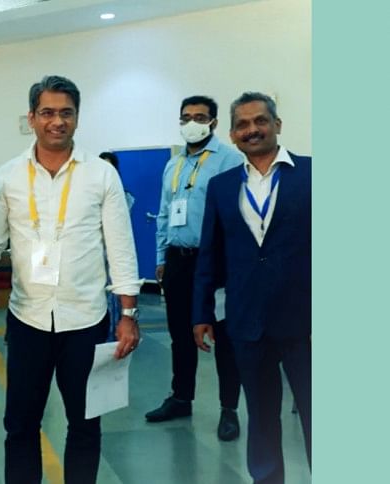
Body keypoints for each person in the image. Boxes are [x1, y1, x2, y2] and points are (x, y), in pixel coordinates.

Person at [0, 75, 141, 484]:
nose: (57, 121)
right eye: (47, 112)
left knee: (85, 425)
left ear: (77, 117)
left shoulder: (101, 175)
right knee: (20, 425)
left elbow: (120, 248)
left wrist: (128, 314)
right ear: (31, 117)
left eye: (66, 113)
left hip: (86, 320)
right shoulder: (8, 176)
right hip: (27, 320)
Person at [193, 92, 311, 484]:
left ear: (277, 124)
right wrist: (201, 313)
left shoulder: (312, 174)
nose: (252, 129)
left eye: (260, 120)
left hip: (305, 323)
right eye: (242, 124)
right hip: (247, 322)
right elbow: (210, 254)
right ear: (232, 134)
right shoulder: (222, 186)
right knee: (261, 416)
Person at [146, 95, 244, 443]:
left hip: (215, 262)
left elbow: (237, 214)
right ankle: (181, 397)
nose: (192, 123)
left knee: (224, 336)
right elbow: (164, 212)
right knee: (180, 334)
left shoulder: (230, 159)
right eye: (186, 117)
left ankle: (229, 409)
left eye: (200, 117)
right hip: (178, 259)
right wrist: (161, 257)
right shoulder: (173, 165)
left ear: (214, 122)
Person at [98, 151, 135, 343]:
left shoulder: (124, 197)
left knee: (115, 297)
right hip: (94, 258)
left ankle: (114, 335)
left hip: (113, 255)